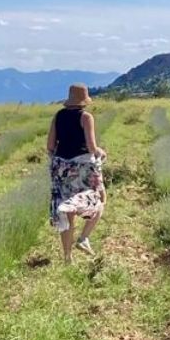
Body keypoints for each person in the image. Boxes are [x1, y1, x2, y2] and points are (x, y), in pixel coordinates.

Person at [47, 83, 107, 259]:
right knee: (100, 199)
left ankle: (67, 257)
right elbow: (91, 147)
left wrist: (60, 162)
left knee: (67, 212)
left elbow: (50, 146)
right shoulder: (86, 117)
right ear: (84, 100)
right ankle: (83, 238)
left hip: (62, 169)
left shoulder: (58, 116)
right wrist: (101, 152)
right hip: (83, 167)